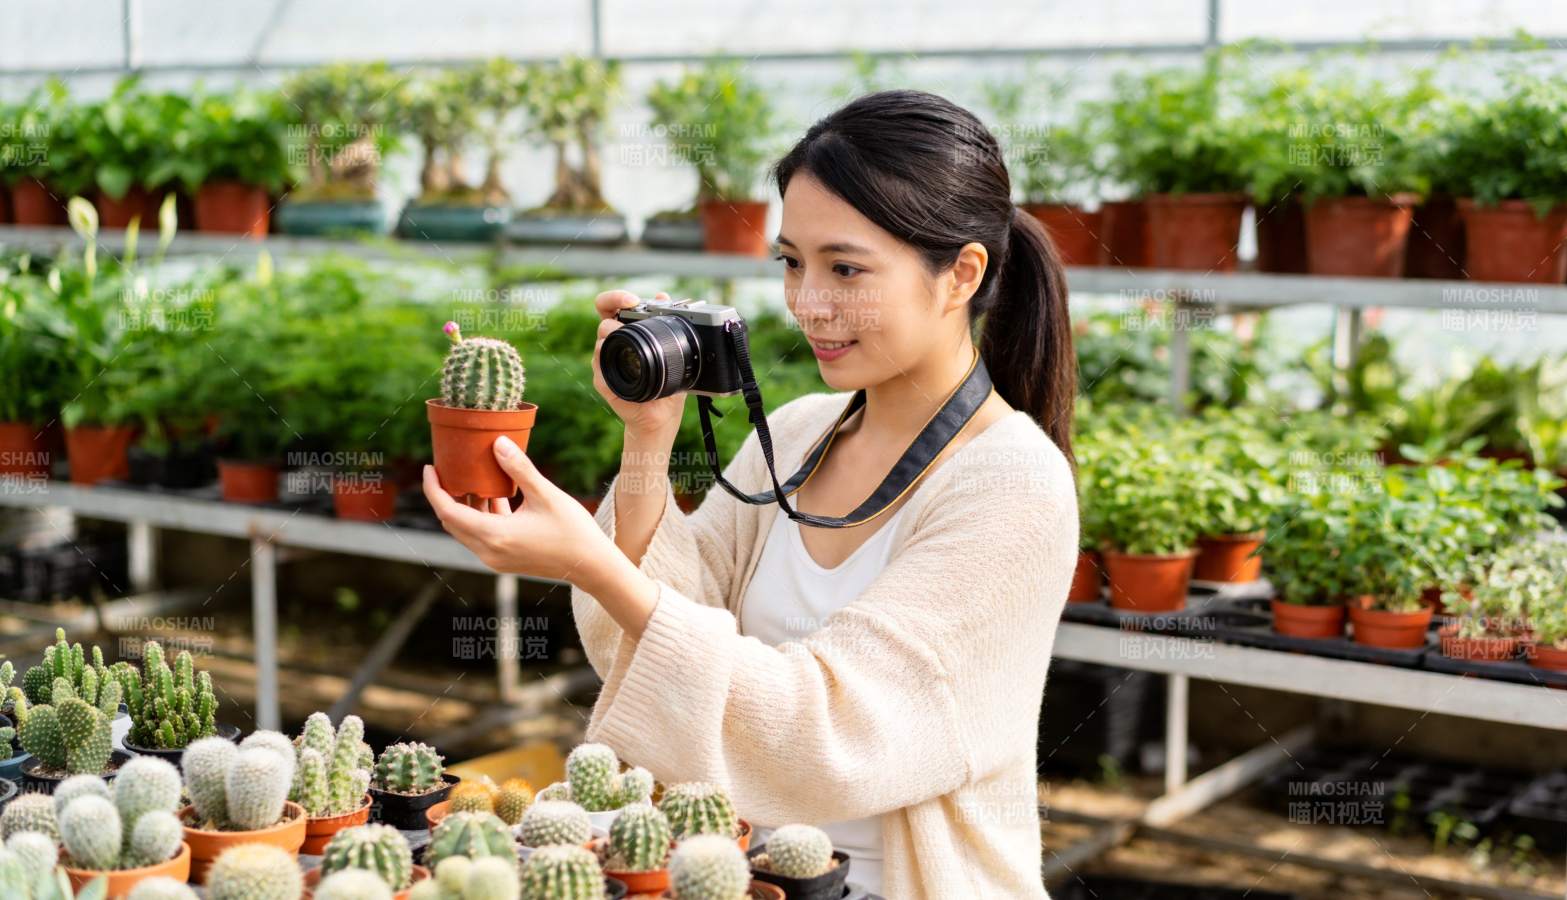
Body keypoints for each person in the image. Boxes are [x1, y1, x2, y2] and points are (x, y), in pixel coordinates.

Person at [423, 89, 1080, 898]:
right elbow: (659, 632)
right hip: (731, 875)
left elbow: (824, 735)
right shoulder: (804, 432)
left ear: (961, 276)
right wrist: (648, 435)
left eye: (846, 268)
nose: (808, 303)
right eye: (791, 262)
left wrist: (594, 566)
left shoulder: (1013, 485)